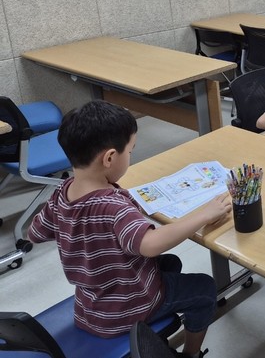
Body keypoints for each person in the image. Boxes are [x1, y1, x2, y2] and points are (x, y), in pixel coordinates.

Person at [28, 100, 230, 358]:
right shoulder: (112, 207)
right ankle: (190, 354)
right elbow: (150, 245)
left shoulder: (62, 193)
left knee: (170, 263)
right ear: (110, 158)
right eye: (131, 151)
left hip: (90, 305)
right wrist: (204, 214)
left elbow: (34, 233)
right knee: (205, 288)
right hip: (126, 309)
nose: (130, 157)